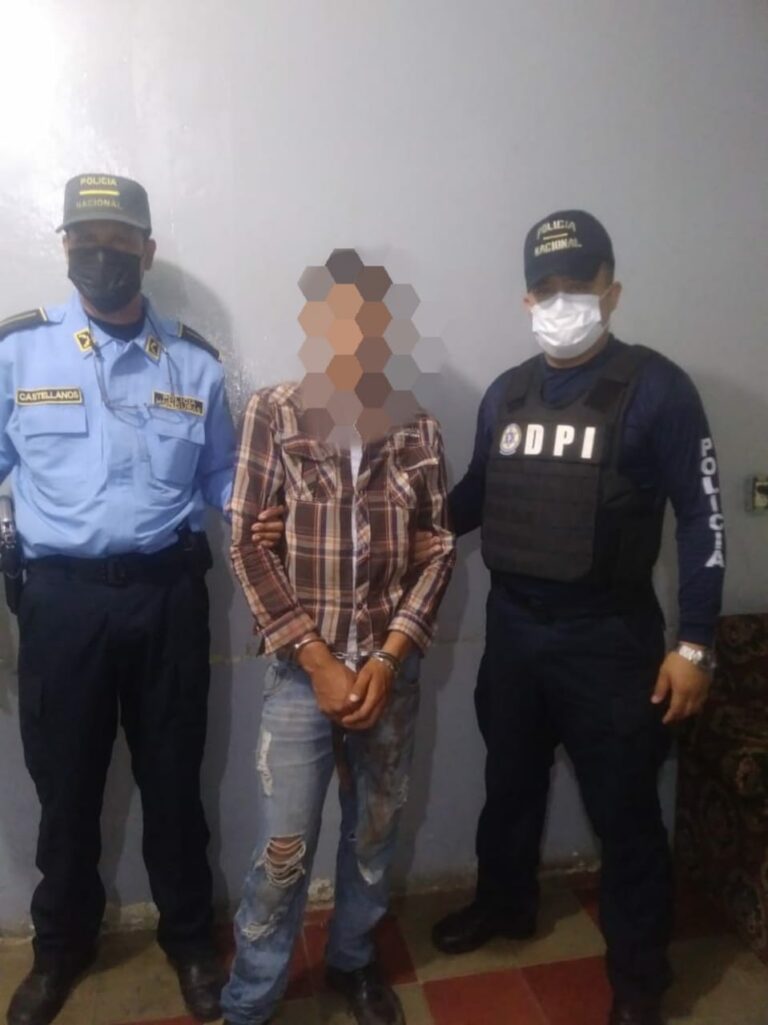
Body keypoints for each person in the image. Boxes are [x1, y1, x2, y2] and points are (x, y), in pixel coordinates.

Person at [426, 210, 725, 1025]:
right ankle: (505, 904)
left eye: (578, 284)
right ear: (527, 298)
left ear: (610, 289)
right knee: (509, 784)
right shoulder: (506, 392)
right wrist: (393, 523)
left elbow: (703, 518)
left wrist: (696, 644)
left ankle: (639, 979)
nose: (562, 300)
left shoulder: (658, 388)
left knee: (625, 812)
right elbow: (475, 497)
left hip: (610, 639)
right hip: (514, 631)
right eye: (546, 287)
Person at [0, 174, 235, 1025]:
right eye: (85, 238)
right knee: (65, 789)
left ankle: (190, 941)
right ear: (64, 245)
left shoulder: (195, 363)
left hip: (168, 597)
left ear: (148, 249)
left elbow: (225, 482)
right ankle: (60, 946)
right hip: (61, 605)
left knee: (174, 783)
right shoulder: (18, 352)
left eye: (118, 239)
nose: (101, 254)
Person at [222, 255, 455, 1025]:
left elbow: (439, 549)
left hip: (390, 676)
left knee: (372, 838)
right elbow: (245, 543)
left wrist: (389, 656)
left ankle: (352, 961)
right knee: (283, 852)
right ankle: (251, 998)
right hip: (301, 678)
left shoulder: (419, 427)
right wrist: (319, 660)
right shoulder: (274, 412)